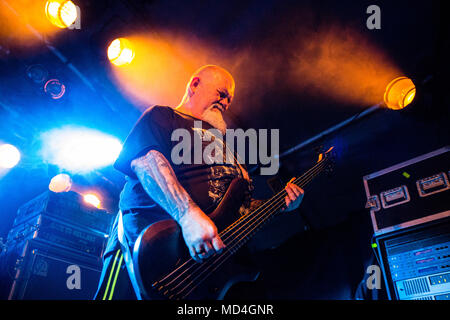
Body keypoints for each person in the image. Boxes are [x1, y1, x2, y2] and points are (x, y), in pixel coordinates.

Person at [94, 65, 304, 300]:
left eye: (229, 100)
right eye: (221, 93)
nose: (225, 103)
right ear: (195, 85)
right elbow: (146, 160)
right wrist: (187, 215)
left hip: (199, 268)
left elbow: (237, 206)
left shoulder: (226, 149)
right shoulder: (166, 116)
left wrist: (279, 206)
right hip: (150, 246)